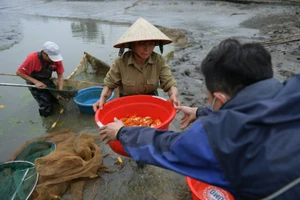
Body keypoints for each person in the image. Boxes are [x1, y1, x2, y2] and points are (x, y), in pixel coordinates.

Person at [98, 38, 300, 199]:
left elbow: (166, 146)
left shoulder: (218, 138)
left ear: (219, 98)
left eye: (209, 97)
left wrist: (122, 132)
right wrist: (201, 111)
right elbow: (247, 110)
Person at [92, 17, 179, 112]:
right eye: (142, 44)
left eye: (151, 44)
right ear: (132, 45)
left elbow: (169, 83)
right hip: (127, 105)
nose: (147, 48)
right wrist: (102, 99)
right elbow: (109, 85)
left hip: (151, 104)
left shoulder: (159, 61)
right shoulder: (120, 62)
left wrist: (173, 96)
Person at [16, 41, 65, 117]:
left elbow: (60, 76)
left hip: (46, 79)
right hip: (33, 81)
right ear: (44, 53)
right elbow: (19, 72)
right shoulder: (32, 58)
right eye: (51, 58)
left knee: (55, 99)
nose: (54, 60)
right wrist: (36, 82)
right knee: (46, 104)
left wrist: (60, 91)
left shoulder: (57, 60)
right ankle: (47, 121)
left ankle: (57, 115)